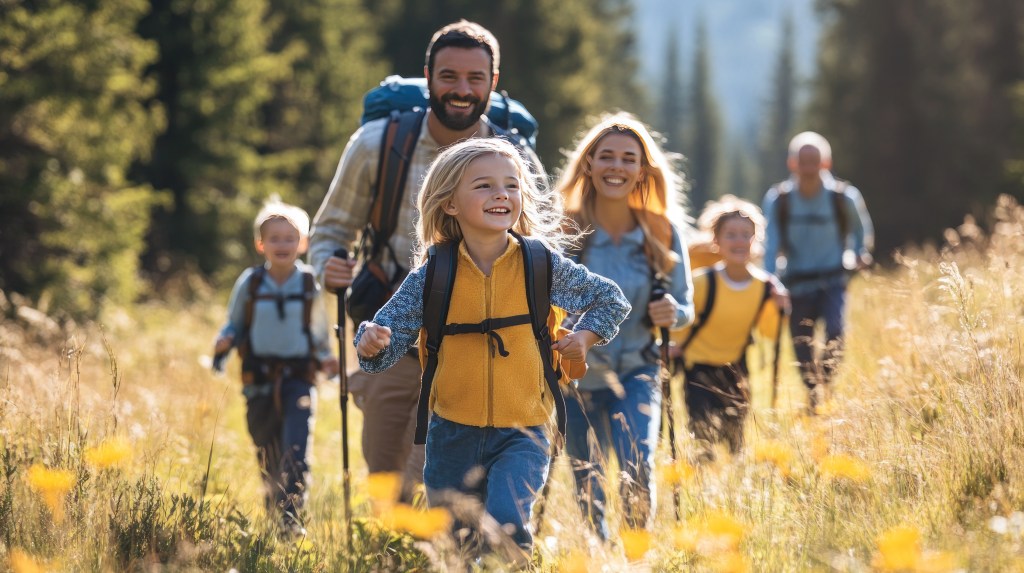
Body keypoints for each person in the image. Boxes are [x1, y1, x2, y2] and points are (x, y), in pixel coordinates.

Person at [354, 138, 629, 558]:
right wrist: (371, 341)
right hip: (451, 431)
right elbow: (381, 346)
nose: (501, 194)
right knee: (455, 543)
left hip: (525, 429)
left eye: (511, 185)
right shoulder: (433, 274)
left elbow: (611, 299)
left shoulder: (540, 264)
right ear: (449, 203)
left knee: (507, 526)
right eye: (484, 185)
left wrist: (583, 337)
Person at [308, 21, 543, 502]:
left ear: (493, 82)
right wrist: (329, 265)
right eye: (449, 76)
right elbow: (330, 230)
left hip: (471, 340)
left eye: (475, 78)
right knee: (384, 472)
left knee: (428, 484)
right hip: (390, 327)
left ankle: (438, 542)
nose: (462, 90)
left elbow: (540, 247)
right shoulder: (377, 144)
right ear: (429, 76)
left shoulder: (514, 157)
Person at [553, 113, 693, 540]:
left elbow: (685, 306)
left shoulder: (661, 231)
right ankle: (597, 549)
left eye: (628, 159)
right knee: (587, 473)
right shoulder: (564, 229)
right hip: (574, 376)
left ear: (643, 170)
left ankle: (635, 550)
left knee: (637, 462)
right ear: (589, 164)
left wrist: (673, 313)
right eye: (607, 157)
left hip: (638, 368)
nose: (617, 167)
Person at [214, 199, 339, 535]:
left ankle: (291, 520)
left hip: (299, 379)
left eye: (290, 238)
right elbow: (234, 323)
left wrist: (328, 360)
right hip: (258, 380)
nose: (282, 244)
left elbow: (318, 329)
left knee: (295, 451)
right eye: (274, 238)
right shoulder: (251, 282)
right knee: (267, 451)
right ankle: (274, 514)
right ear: (261, 244)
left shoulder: (308, 283)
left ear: (303, 243)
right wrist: (223, 344)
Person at [762, 131, 873, 412]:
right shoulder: (779, 200)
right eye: (803, 161)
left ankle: (825, 382)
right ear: (792, 163)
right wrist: (771, 281)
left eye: (814, 161)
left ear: (826, 163)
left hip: (834, 280)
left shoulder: (843, 197)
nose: (809, 167)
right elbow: (770, 244)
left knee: (836, 332)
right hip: (795, 284)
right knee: (801, 345)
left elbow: (862, 231)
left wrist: (859, 253)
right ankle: (813, 395)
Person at [674, 195, 788, 462]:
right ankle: (703, 481)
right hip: (698, 369)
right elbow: (681, 321)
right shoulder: (702, 283)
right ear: (716, 241)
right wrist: (672, 347)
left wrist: (779, 309)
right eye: (731, 235)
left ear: (755, 239)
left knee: (735, 437)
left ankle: (734, 482)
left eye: (746, 235)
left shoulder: (764, 287)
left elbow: (769, 332)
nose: (739, 241)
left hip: (737, 368)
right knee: (703, 435)